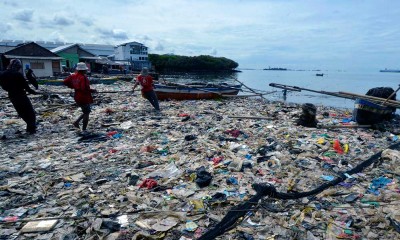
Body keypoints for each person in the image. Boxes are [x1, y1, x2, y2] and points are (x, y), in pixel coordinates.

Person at [0, 59, 38, 134]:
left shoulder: (3, 74)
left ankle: (30, 128)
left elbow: (3, 87)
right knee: (30, 113)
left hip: (12, 96)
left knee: (21, 112)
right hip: (21, 95)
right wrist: (33, 92)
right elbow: (26, 87)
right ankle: (31, 129)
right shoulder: (17, 74)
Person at [63, 62, 96, 131]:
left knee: (86, 111)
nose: (86, 70)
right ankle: (84, 130)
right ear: (83, 70)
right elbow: (84, 89)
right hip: (83, 97)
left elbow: (65, 82)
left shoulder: (73, 76)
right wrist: (92, 90)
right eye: (85, 69)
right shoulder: (83, 77)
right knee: (87, 113)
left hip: (77, 96)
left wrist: (72, 86)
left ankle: (76, 122)